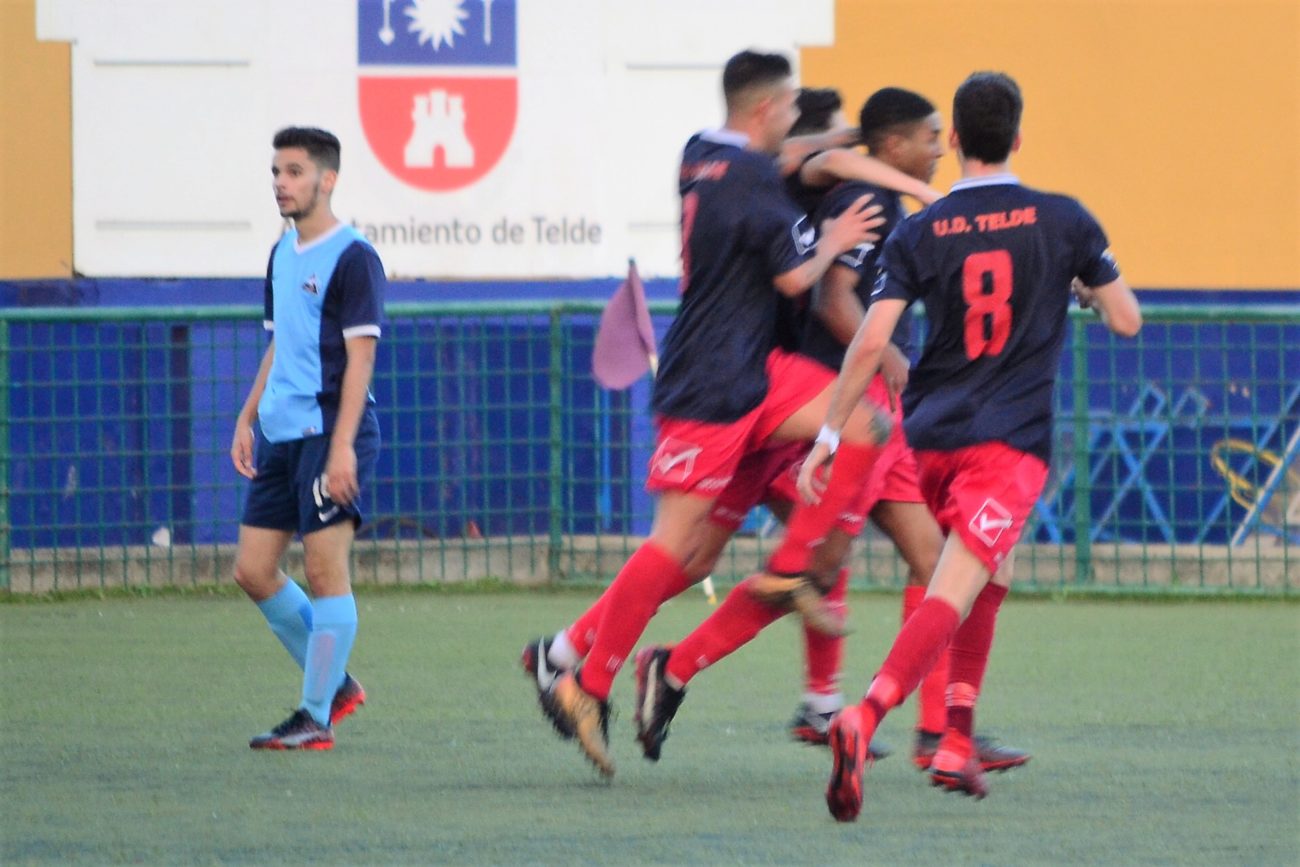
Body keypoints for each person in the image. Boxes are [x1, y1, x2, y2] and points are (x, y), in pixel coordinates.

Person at [632, 88, 1026, 774]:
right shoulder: (865, 202)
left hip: (877, 412)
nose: (938, 148)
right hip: (841, 409)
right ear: (895, 146)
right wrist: (891, 355)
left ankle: (935, 731)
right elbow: (835, 301)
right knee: (804, 572)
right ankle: (670, 666)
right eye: (928, 137)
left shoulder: (883, 200)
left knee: (935, 561)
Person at [525, 49, 894, 778]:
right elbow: (795, 276)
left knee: (864, 424)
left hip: (755, 372)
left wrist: (847, 139)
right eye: (789, 108)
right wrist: (835, 241)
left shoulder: (700, 152)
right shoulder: (754, 176)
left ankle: (788, 572)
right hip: (712, 380)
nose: (793, 123)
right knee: (676, 548)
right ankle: (586, 681)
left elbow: (787, 156)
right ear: (765, 109)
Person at [801, 72, 1141, 820]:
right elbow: (1126, 320)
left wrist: (828, 431)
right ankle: (866, 714)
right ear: (1018, 137)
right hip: (1006, 444)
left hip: (931, 440)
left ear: (955, 140)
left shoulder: (920, 230)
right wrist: (1084, 288)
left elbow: (872, 339)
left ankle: (957, 738)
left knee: (994, 571)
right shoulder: (1065, 219)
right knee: (955, 587)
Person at [230, 127, 386, 751]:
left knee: (325, 573)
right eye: (276, 172)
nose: (280, 183)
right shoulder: (282, 253)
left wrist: (343, 445)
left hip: (329, 432)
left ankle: (315, 715)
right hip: (280, 431)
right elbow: (281, 343)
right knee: (252, 570)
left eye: (293, 172)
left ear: (328, 179)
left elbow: (361, 358)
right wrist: (247, 416)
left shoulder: (354, 257)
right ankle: (336, 685)